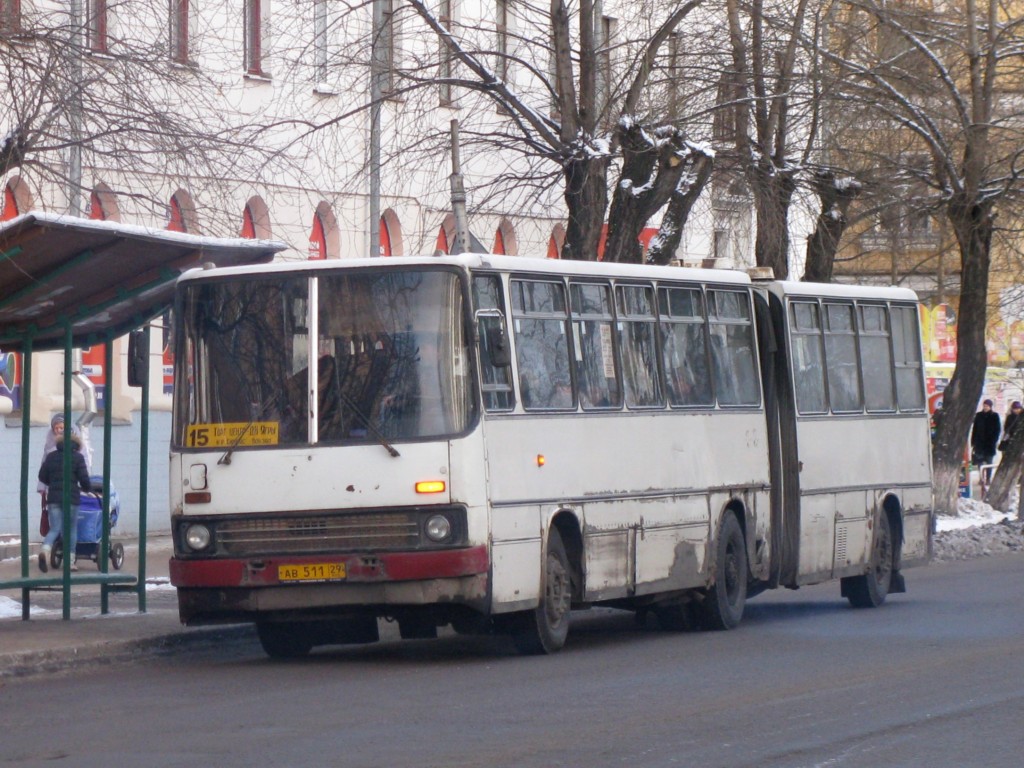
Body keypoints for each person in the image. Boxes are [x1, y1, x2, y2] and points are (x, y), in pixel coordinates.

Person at [37, 425, 91, 572]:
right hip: (71, 498)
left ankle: (45, 550)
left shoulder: (51, 456)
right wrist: (87, 488)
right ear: (76, 445)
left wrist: (52, 483)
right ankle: (70, 561)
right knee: (71, 529)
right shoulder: (78, 458)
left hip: (53, 498)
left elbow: (42, 476)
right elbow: (84, 479)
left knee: (55, 528)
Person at [971, 399, 1001, 467]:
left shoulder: (994, 416)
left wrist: (994, 440)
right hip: (979, 443)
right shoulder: (978, 415)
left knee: (989, 461)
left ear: (990, 406)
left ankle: (988, 477)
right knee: (979, 462)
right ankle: (981, 476)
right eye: (984, 406)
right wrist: (973, 441)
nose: (985, 407)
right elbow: (975, 429)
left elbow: (997, 430)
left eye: (987, 406)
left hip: (989, 443)